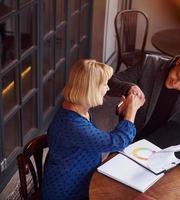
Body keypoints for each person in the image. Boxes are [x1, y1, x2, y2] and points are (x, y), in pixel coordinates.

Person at [42, 59, 144, 200]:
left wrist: (123, 113)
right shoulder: (72, 124)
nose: (108, 88)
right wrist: (132, 110)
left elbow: (97, 140)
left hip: (80, 176)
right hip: (67, 191)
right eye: (104, 84)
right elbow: (118, 141)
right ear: (91, 88)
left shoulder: (78, 109)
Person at [108, 51, 180, 159]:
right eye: (177, 75)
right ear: (179, 61)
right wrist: (128, 87)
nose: (175, 84)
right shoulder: (149, 64)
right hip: (132, 139)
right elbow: (109, 82)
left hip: (169, 151)